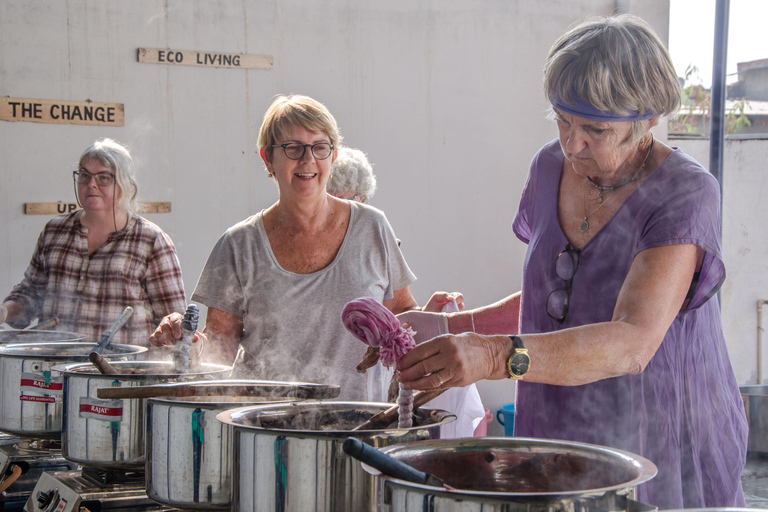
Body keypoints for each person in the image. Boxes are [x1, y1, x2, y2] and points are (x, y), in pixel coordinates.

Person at [396, 14, 747, 508]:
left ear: (646, 121)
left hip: (659, 435)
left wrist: (492, 355)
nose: (571, 143)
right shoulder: (548, 167)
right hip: (557, 426)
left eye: (595, 129)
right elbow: (555, 299)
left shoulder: (685, 193)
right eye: (562, 120)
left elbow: (632, 341)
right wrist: (449, 327)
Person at [149, 94, 456, 401]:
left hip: (362, 425)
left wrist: (436, 323)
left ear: (332, 157)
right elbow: (220, 350)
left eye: (320, 147)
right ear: (268, 158)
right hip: (266, 427)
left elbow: (400, 314)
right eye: (292, 148)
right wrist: (188, 345)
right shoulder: (239, 245)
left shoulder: (372, 227)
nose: (308, 159)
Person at [0, 138, 186, 347]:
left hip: (122, 372)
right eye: (85, 175)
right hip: (54, 370)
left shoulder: (150, 240)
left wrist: (173, 325)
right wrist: (5, 311)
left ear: (124, 185)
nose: (91, 184)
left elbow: (175, 320)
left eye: (103, 177)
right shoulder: (55, 231)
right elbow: (30, 295)